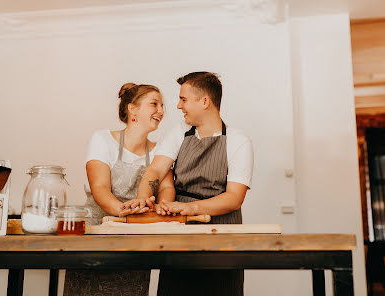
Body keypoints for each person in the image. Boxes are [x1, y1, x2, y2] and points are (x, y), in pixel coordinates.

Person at [128, 72, 254, 296]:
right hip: (179, 234)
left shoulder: (238, 141)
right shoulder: (179, 133)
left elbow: (234, 198)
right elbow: (156, 170)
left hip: (222, 237)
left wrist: (190, 208)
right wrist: (143, 196)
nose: (178, 106)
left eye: (183, 99)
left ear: (204, 101)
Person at [63, 83, 175, 296]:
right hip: (96, 236)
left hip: (135, 240)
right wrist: (125, 211)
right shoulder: (103, 139)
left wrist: (162, 207)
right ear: (133, 109)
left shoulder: (161, 150)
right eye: (154, 104)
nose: (161, 111)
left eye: (162, 106)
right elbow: (100, 188)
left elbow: (167, 187)